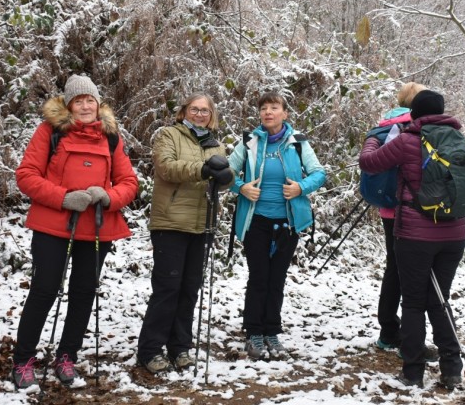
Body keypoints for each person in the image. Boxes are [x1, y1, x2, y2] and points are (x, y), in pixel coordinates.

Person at [11, 75, 138, 389]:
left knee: (83, 294)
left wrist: (108, 197)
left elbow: (129, 182)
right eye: (78, 100)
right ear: (68, 105)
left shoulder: (110, 137)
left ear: (98, 104)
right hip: (53, 224)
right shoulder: (50, 132)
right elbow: (26, 175)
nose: (85, 105)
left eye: (90, 100)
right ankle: (23, 360)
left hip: (95, 227)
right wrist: (63, 197)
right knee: (44, 289)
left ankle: (67, 356)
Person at [358, 89, 465, 390]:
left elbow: (369, 163)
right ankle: (451, 368)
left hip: (415, 235)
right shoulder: (458, 139)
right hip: (454, 234)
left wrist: (372, 138)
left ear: (415, 114)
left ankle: (413, 370)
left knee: (415, 302)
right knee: (440, 300)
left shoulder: (407, 141)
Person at [136, 94, 233, 374]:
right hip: (171, 222)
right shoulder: (169, 135)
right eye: (195, 109)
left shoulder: (216, 144)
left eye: (205, 110)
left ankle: (180, 346)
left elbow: (222, 178)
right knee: (167, 288)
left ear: (211, 115)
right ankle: (150, 349)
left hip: (202, 223)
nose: (200, 114)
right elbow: (166, 168)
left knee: (190, 288)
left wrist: (227, 179)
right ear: (184, 112)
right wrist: (202, 169)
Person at [229, 91, 326, 360]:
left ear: (285, 113)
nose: (268, 112)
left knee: (277, 278)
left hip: (288, 222)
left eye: (274, 108)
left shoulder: (297, 143)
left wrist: (300, 188)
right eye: (263, 108)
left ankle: (272, 331)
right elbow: (224, 173)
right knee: (259, 276)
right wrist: (241, 188)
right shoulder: (249, 142)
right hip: (255, 221)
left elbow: (319, 173)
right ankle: (254, 333)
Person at [364, 82, 435, 363]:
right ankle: (404, 336)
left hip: (388, 209)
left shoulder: (385, 123)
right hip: (413, 211)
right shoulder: (415, 127)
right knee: (410, 274)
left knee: (393, 267)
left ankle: (388, 330)